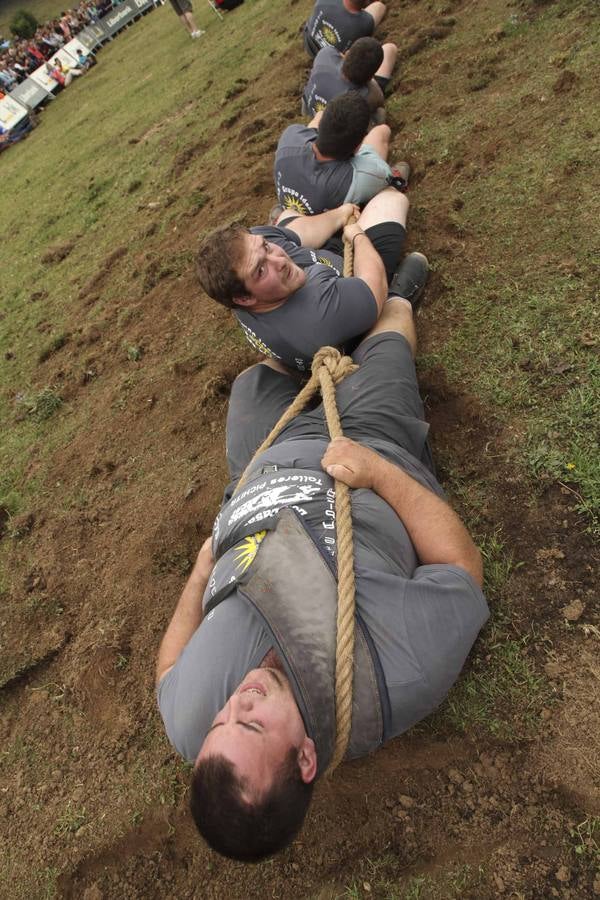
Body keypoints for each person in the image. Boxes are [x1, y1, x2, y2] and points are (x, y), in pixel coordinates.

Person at [156, 273, 489, 861]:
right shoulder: (395, 673)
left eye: (222, 721)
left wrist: (199, 571)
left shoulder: (195, 722)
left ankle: (323, 323)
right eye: (253, 724)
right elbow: (462, 565)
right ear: (305, 758)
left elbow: (168, 673)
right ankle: (397, 295)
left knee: (256, 380)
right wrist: (378, 473)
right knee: (388, 344)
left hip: (262, 465)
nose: (240, 701)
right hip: (369, 441)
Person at [196, 188, 419, 373]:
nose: (279, 259)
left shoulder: (248, 251)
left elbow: (297, 233)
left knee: (285, 218)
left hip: (321, 264)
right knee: (391, 199)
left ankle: (284, 220)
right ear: (244, 298)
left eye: (265, 246)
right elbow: (372, 285)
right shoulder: (317, 315)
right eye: (261, 270)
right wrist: (357, 236)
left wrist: (340, 214)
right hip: (352, 278)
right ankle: (399, 292)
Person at [274, 93, 404, 217]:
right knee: (381, 131)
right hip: (326, 226)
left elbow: (313, 124)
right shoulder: (357, 177)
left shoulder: (290, 135)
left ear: (321, 127)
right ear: (358, 146)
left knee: (318, 114)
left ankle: (280, 215)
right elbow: (384, 174)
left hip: (294, 214)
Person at [302, 37, 397, 120]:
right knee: (379, 114)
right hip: (330, 130)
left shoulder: (326, 53)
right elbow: (379, 100)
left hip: (309, 108)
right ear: (371, 78)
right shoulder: (364, 97)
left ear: (346, 54)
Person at [304, 0, 388, 58]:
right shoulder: (366, 22)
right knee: (379, 7)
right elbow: (380, 7)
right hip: (330, 60)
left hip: (309, 44)